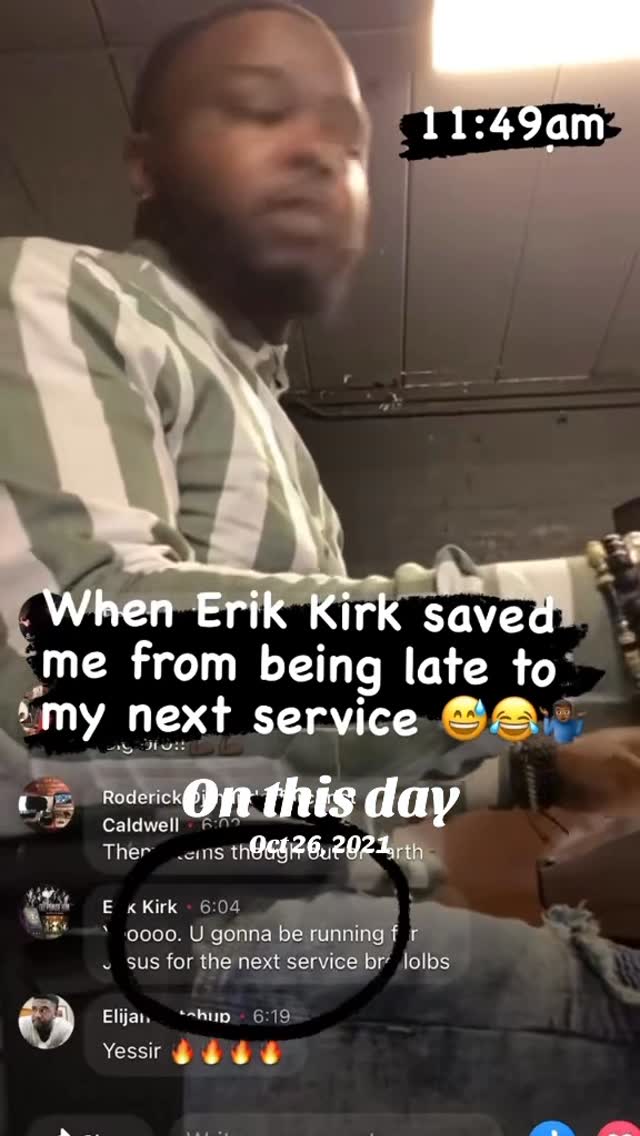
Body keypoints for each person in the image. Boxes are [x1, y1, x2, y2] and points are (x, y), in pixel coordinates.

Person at [0, 0, 639, 1126]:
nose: (316, 153)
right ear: (145, 162)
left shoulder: (278, 438)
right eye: (259, 111)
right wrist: (603, 607)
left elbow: (284, 758)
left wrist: (531, 772)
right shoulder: (54, 291)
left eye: (348, 142)